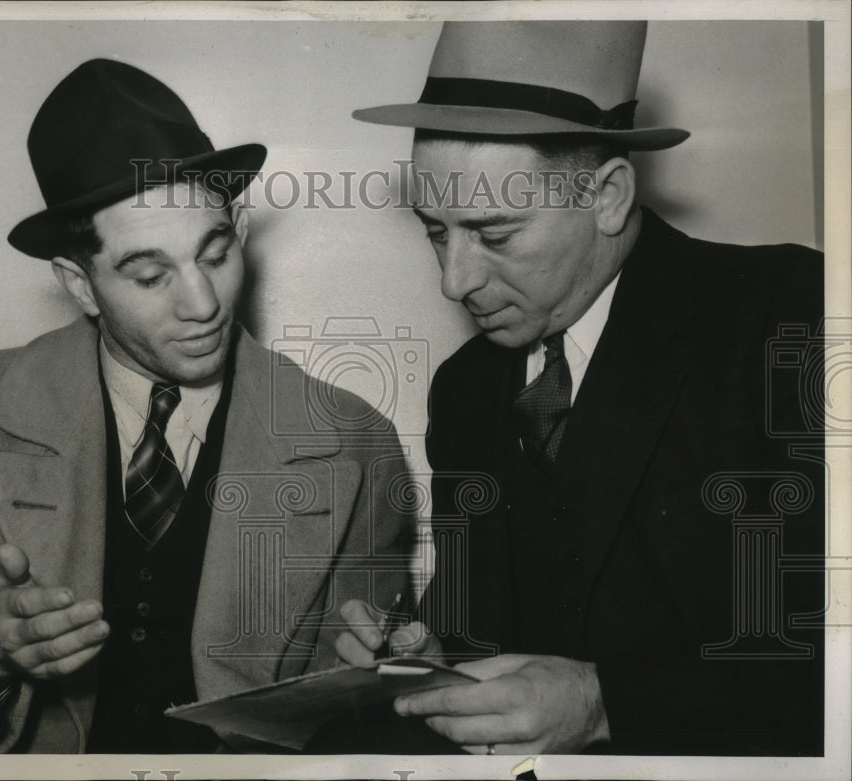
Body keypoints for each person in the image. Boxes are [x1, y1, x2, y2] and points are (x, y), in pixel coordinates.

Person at [0, 58, 413, 754]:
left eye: (215, 253)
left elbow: (361, 713)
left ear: (239, 228)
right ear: (80, 283)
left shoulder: (356, 442)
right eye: (151, 274)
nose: (203, 303)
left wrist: (379, 676)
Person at [336, 21, 824, 756]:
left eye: (494, 233)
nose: (454, 280)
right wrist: (431, 665)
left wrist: (606, 703)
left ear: (608, 195)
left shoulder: (795, 313)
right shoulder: (465, 392)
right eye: (436, 231)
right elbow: (476, 636)